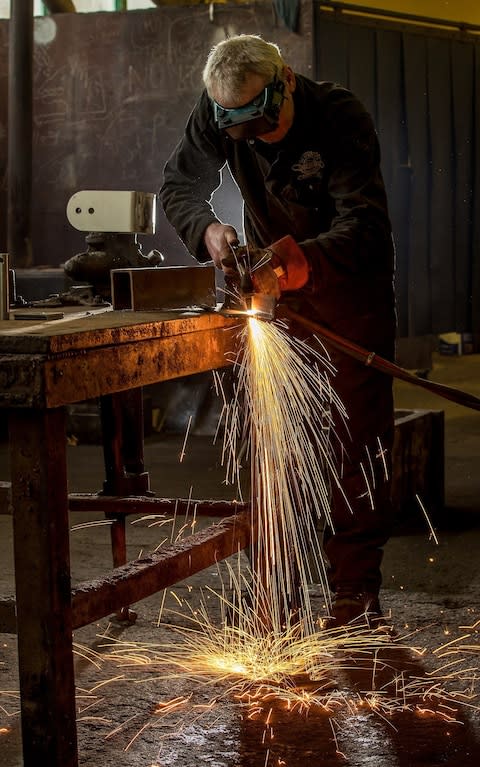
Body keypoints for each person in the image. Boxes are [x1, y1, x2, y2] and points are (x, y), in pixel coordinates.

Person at [159, 34, 396, 628]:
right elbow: (179, 187)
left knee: (355, 445)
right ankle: (278, 585)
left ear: (285, 81)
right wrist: (208, 232)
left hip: (347, 295)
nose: (255, 138)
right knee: (274, 444)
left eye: (264, 123)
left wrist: (291, 263)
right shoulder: (219, 108)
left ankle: (353, 591)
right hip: (274, 298)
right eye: (239, 131)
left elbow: (363, 224)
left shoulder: (339, 117)